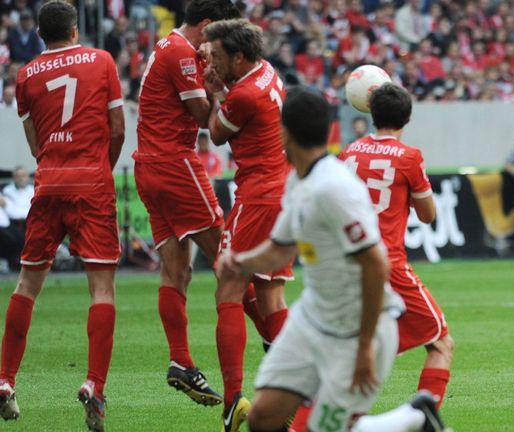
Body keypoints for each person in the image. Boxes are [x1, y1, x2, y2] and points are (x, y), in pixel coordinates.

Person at [217, 87, 445, 432]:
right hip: (312, 318)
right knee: (263, 417)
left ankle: (413, 419)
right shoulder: (297, 181)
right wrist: (241, 263)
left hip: (356, 328)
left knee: (318, 429)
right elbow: (281, 247)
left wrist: (365, 346)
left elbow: (375, 264)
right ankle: (416, 416)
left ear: (285, 133)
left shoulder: (334, 188)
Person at [0, 1, 125, 430]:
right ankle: (94, 385)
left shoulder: (25, 75)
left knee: (28, 282)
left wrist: (55, 161)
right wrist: (98, 170)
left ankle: (4, 380)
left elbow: (34, 140)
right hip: (92, 182)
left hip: (49, 182)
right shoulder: (102, 60)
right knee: (102, 288)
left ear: (39, 35)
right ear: (75, 29)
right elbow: (119, 129)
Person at [133, 0, 239, 406]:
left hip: (148, 165)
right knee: (228, 258)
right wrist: (218, 88)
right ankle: (273, 344)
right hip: (174, 163)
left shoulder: (170, 46)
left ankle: (180, 361)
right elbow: (201, 118)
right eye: (222, 33)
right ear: (209, 25)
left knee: (176, 269)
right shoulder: (181, 53)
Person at [201, 19, 292, 431]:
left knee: (229, 287)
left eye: (217, 57)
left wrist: (216, 90)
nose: (213, 63)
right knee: (271, 297)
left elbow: (216, 133)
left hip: (258, 197)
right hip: (284, 192)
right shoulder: (267, 72)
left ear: (239, 57)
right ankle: (294, 391)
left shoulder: (244, 94)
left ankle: (234, 397)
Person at [339, 83, 454, 408]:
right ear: (408, 117)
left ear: (371, 115)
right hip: (388, 265)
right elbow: (428, 214)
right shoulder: (409, 157)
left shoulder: (349, 151)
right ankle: (424, 422)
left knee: (352, 347)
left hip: (346, 263)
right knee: (441, 342)